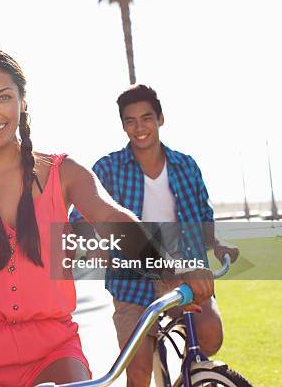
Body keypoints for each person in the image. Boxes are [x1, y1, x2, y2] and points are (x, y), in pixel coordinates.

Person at [0, 46, 213, 387]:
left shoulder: (65, 173)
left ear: (22, 99)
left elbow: (111, 218)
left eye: (3, 97)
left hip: (53, 348)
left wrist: (170, 266)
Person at [69, 84, 239, 387]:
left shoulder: (186, 166)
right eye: (130, 121)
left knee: (210, 336)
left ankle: (187, 376)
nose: (139, 127)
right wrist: (95, 242)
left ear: (160, 119)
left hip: (184, 271)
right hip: (132, 279)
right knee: (137, 373)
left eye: (146, 118)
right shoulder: (108, 169)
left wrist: (217, 243)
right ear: (123, 126)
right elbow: (79, 218)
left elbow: (204, 218)